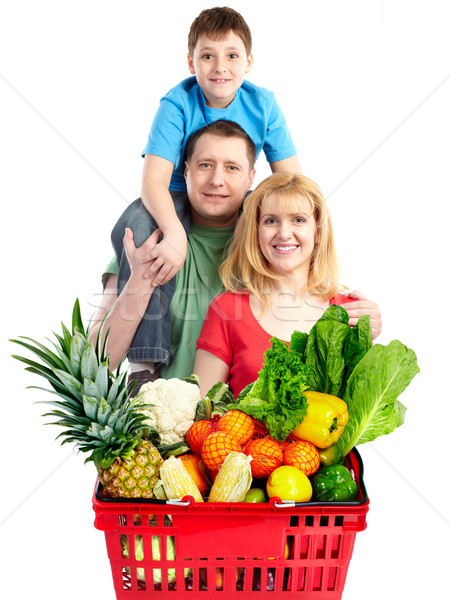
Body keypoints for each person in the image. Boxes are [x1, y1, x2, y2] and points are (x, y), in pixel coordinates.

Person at [91, 123, 381, 392]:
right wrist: (141, 282)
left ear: (251, 178)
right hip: (163, 434)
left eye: (232, 167)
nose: (217, 180)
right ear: (186, 172)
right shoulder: (148, 244)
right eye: (205, 165)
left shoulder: (272, 244)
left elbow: (312, 297)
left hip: (246, 436)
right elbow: (92, 364)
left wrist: (364, 320)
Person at [111, 7, 301, 376]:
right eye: (207, 56)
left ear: (249, 62)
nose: (220, 67)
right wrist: (176, 236)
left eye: (232, 56)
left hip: (241, 201)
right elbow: (152, 182)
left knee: (277, 228)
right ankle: (145, 362)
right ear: (190, 61)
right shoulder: (177, 102)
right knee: (136, 218)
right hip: (175, 199)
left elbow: (293, 182)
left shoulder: (263, 104)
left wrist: (280, 219)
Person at [193, 173, 377, 398]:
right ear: (256, 232)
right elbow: (204, 412)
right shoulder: (226, 310)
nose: (284, 233)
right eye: (271, 221)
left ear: (317, 231)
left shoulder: (350, 310)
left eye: (298, 220)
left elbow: (362, 407)